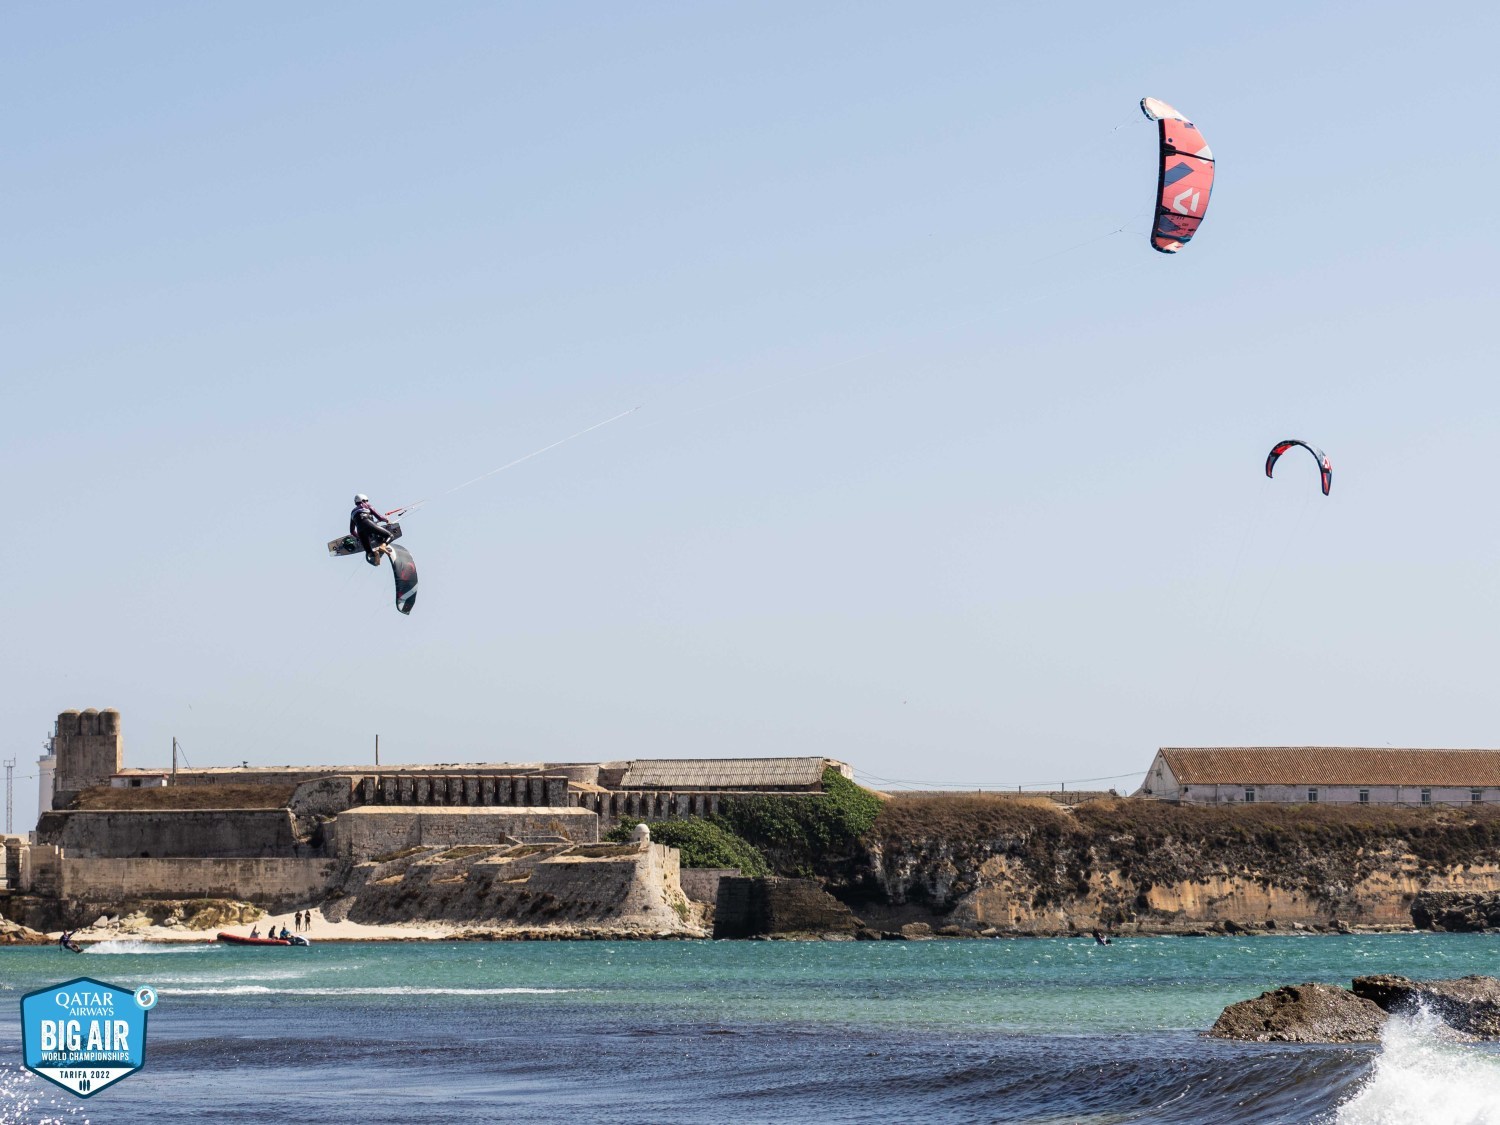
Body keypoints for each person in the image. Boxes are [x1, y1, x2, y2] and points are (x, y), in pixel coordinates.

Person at [350, 494, 394, 565]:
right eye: (366, 501)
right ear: (363, 500)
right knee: (390, 536)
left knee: (369, 553)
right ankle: (382, 546)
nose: (367, 502)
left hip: (360, 531)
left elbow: (352, 531)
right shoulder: (367, 505)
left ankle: (375, 554)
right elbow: (379, 517)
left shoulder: (352, 512)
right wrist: (387, 520)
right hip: (368, 524)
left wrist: (359, 538)